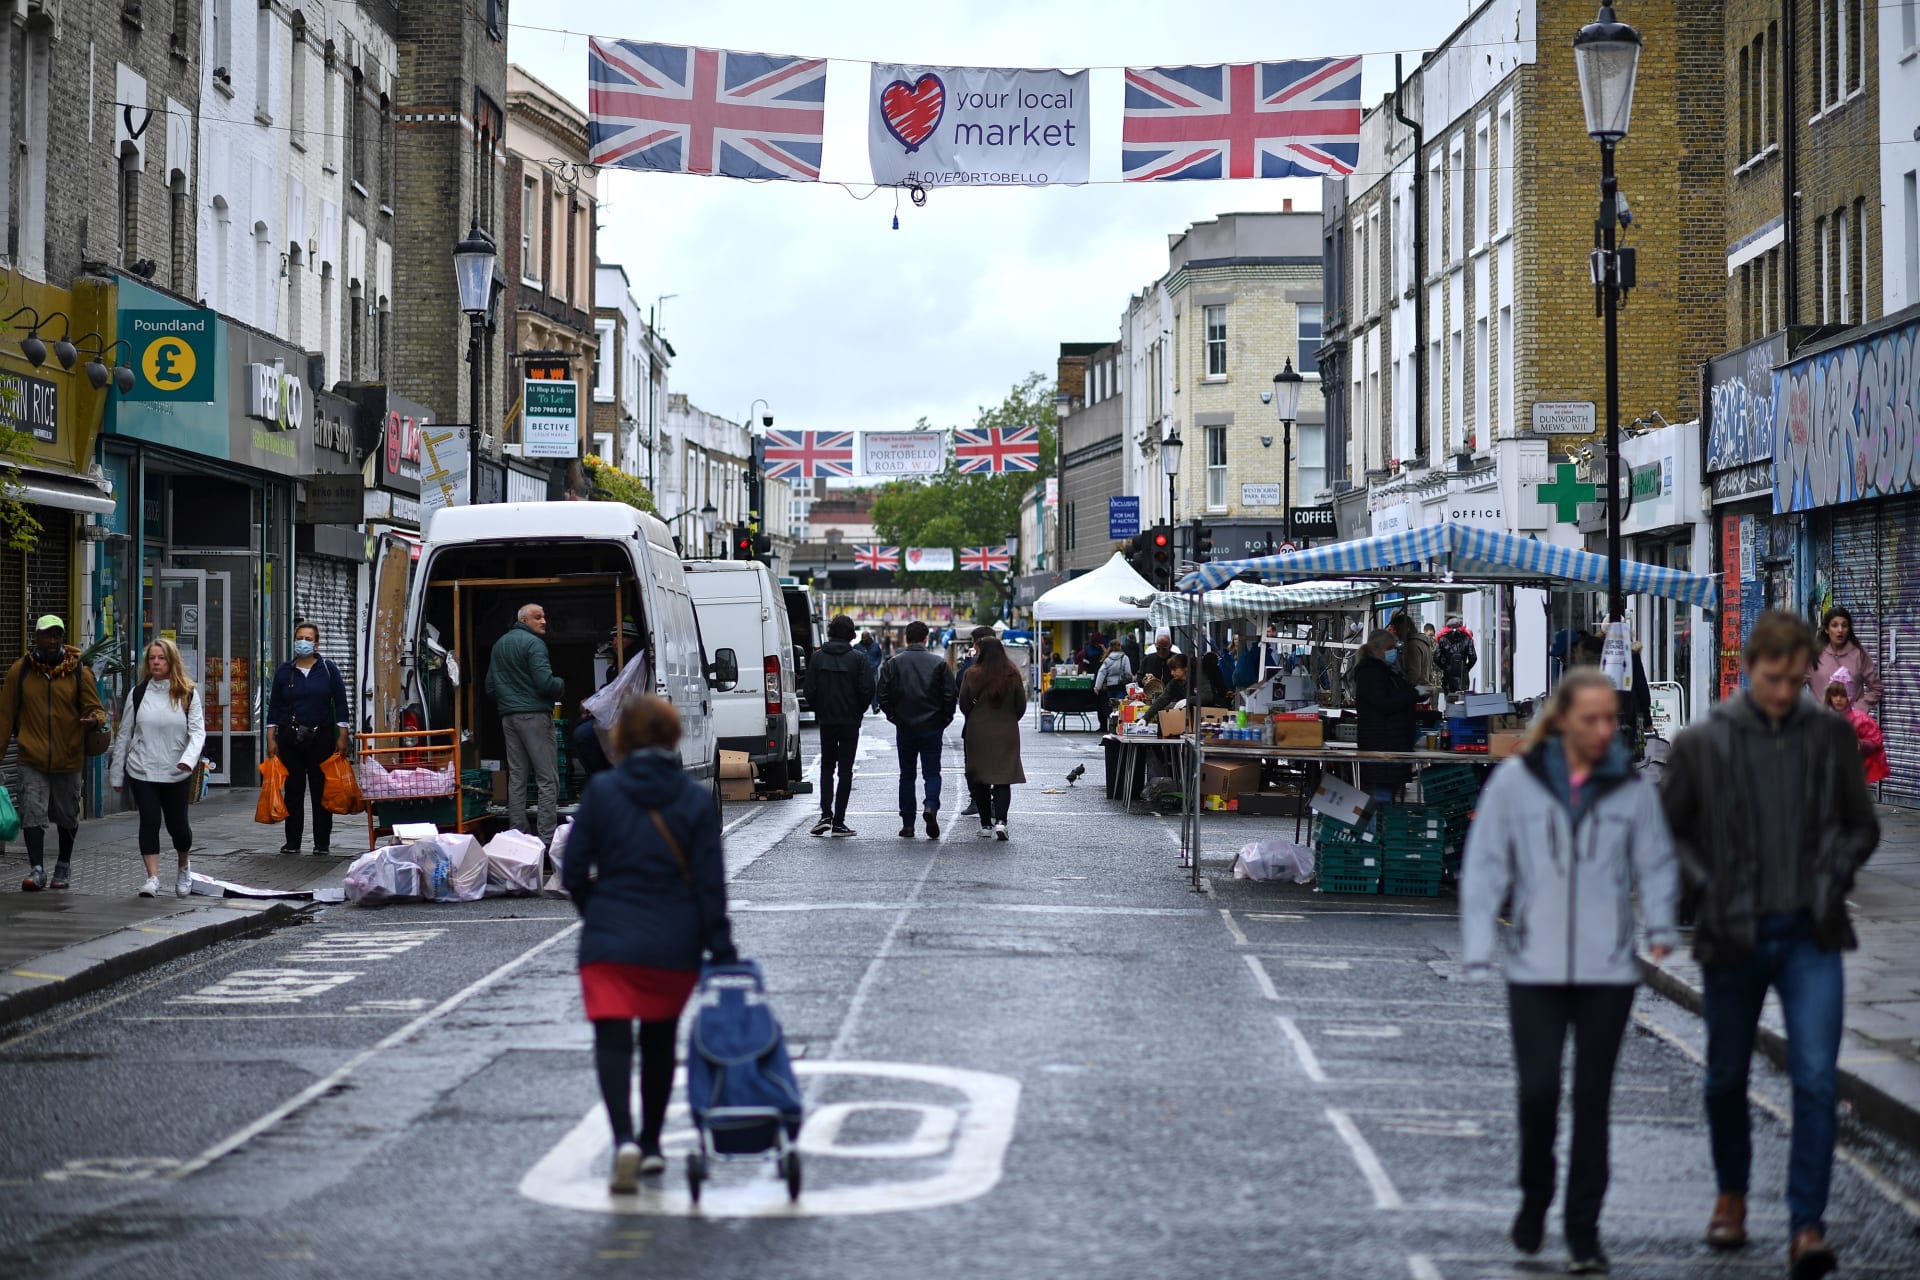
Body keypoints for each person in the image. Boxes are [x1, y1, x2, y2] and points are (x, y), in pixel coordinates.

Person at [1661, 610, 1880, 1277]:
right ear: (1749, 668)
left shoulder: (1830, 735)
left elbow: (1861, 826)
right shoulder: (1705, 741)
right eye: (1771, 679)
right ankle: (1732, 1195)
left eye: (1793, 680)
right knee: (1726, 1076)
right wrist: (1706, 888)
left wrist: (1834, 874)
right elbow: (1674, 831)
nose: (1784, 692)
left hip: (1810, 931)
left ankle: (1806, 1225)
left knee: (1815, 1078)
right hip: (1734, 932)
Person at [1462, 669, 1679, 1274]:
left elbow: (1656, 860)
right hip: (1536, 967)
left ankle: (1584, 1231)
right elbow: (1486, 864)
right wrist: (1477, 943)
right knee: (1538, 1094)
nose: (1604, 729)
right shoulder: (1517, 782)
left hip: (1608, 970)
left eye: (1611, 718)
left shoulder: (1630, 787)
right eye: (1592, 718)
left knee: (1592, 1100)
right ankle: (1536, 1197)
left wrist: (1661, 926)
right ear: (1561, 721)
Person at [562, 695, 736, 1191]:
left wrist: (597, 913)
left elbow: (572, 870)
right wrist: (719, 946)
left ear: (623, 738)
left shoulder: (602, 792)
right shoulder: (693, 799)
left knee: (612, 1041)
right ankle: (654, 1144)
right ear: (672, 737)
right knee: (659, 1042)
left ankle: (624, 1141)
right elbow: (709, 883)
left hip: (608, 942)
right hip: (673, 944)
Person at [0, 616, 107, 890]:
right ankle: (37, 869)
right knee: (32, 813)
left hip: (68, 757)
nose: (52, 641)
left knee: (67, 815)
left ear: (62, 638)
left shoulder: (79, 672)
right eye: (47, 635)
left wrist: (94, 720)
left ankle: (63, 865)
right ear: (36, 637)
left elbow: (96, 709)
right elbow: (5, 717)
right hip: (31, 757)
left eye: (57, 635)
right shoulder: (20, 671)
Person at [109, 638, 207, 899]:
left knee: (178, 827)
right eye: (152, 658)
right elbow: (125, 734)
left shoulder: (187, 693)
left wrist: (188, 760)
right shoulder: (138, 693)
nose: (156, 662)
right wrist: (117, 773)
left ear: (171, 661)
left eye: (161, 658)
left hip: (176, 771)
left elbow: (198, 733)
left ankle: (184, 866)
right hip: (143, 769)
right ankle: (152, 878)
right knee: (149, 821)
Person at [264, 621, 350, 856]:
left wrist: (343, 735)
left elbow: (341, 704)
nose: (303, 642)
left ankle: (322, 842)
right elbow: (274, 706)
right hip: (290, 739)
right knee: (293, 790)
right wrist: (271, 737)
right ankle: (292, 841)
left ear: (317, 644)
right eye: (299, 638)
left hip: (321, 737)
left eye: (308, 639)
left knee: (321, 789)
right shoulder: (284, 671)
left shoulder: (328, 669)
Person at [486, 603, 565, 844]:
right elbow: (545, 683)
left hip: (508, 717)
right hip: (534, 716)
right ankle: (547, 838)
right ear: (524, 620)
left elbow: (490, 687)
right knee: (547, 778)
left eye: (544, 616)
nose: (544, 621)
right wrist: (560, 685)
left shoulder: (499, 645)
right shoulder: (534, 644)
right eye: (538, 617)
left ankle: (518, 836)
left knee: (517, 778)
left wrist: (510, 700)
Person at [876, 620, 955, 840]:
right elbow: (950, 695)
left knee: (907, 775)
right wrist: (944, 719)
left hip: (905, 726)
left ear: (906, 638)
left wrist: (894, 716)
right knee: (932, 772)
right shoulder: (938, 663)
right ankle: (931, 805)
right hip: (932, 725)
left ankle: (908, 823)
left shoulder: (893, 663)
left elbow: (882, 694)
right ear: (926, 638)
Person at [805, 615, 874, 837]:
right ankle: (839, 822)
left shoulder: (818, 658)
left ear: (831, 631)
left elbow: (809, 690)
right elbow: (867, 690)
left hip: (827, 720)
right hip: (850, 721)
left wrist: (820, 709)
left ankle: (825, 814)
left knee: (827, 767)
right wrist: (857, 710)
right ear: (851, 634)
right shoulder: (859, 658)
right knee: (845, 770)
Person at [959, 636, 1027, 841]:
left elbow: (964, 704)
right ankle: (1001, 822)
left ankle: (986, 825)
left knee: (980, 779)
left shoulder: (972, 674)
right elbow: (1021, 705)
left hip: (978, 732)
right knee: (1003, 779)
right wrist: (1009, 718)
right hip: (1006, 731)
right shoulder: (1012, 673)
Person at [1353, 629, 1421, 803]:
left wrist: (1414, 693)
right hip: (1382, 745)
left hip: (1389, 743)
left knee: (1386, 793)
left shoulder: (1385, 671)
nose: (1394, 652)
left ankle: (1379, 820)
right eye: (1390, 648)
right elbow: (1386, 703)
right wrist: (1414, 694)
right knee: (1382, 795)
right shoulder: (1371, 673)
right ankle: (1377, 821)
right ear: (1376, 650)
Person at [1806, 606, 1880, 711]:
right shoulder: (1814, 655)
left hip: (1851, 720)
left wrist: (1858, 709)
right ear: (1826, 629)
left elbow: (1876, 689)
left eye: (1844, 625)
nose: (1840, 630)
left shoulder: (1858, 654)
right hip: (1821, 719)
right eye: (1834, 625)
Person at [1823, 678, 1890, 786]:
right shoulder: (1823, 717)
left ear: (1849, 696)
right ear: (1829, 696)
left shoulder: (1859, 718)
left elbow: (1875, 741)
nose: (1838, 699)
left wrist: (1859, 744)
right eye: (1835, 695)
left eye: (1843, 695)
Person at [1388, 611, 1436, 693]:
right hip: (1425, 688)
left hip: (1417, 691)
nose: (1397, 634)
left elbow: (1413, 675)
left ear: (1407, 628)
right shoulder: (1422, 641)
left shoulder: (1412, 645)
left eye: (1399, 630)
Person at [1436, 616, 1479, 697]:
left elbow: (1436, 657)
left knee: (1449, 700)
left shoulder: (1442, 639)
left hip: (1448, 676)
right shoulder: (1467, 638)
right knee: (1462, 700)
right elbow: (1473, 658)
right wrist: (1466, 668)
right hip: (1462, 677)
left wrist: (1445, 667)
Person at [1146, 654, 1192, 719]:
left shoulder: (1198, 679)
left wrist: (1189, 700)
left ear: (1185, 668)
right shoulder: (1174, 682)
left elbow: (1206, 696)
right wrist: (1145, 718)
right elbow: (1162, 699)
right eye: (1171, 670)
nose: (1172, 673)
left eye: (1175, 670)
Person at [1094, 639, 1133, 712]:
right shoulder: (1124, 658)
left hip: (1110, 686)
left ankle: (1113, 716)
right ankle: (1118, 717)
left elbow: (1101, 672)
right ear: (1120, 646)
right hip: (1121, 685)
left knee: (1112, 706)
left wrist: (1097, 687)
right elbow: (1128, 672)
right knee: (1120, 705)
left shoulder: (1107, 659)